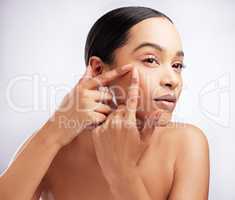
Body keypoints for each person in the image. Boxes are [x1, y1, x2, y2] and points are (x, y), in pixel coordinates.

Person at [0, 6, 210, 200]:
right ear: (99, 69)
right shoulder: (51, 147)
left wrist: (122, 172)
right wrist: (53, 131)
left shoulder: (186, 144)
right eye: (150, 60)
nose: (172, 80)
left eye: (177, 65)